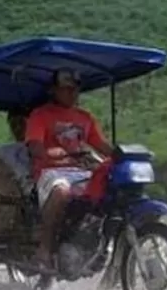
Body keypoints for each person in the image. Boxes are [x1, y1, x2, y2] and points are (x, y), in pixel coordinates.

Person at [25, 68, 113, 268]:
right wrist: (49, 153)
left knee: (112, 189)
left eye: (74, 89)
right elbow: (34, 145)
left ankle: (100, 243)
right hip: (51, 171)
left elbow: (101, 145)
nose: (71, 93)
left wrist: (122, 155)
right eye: (65, 89)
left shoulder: (85, 117)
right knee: (62, 191)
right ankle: (45, 248)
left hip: (81, 171)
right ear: (54, 90)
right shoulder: (40, 115)